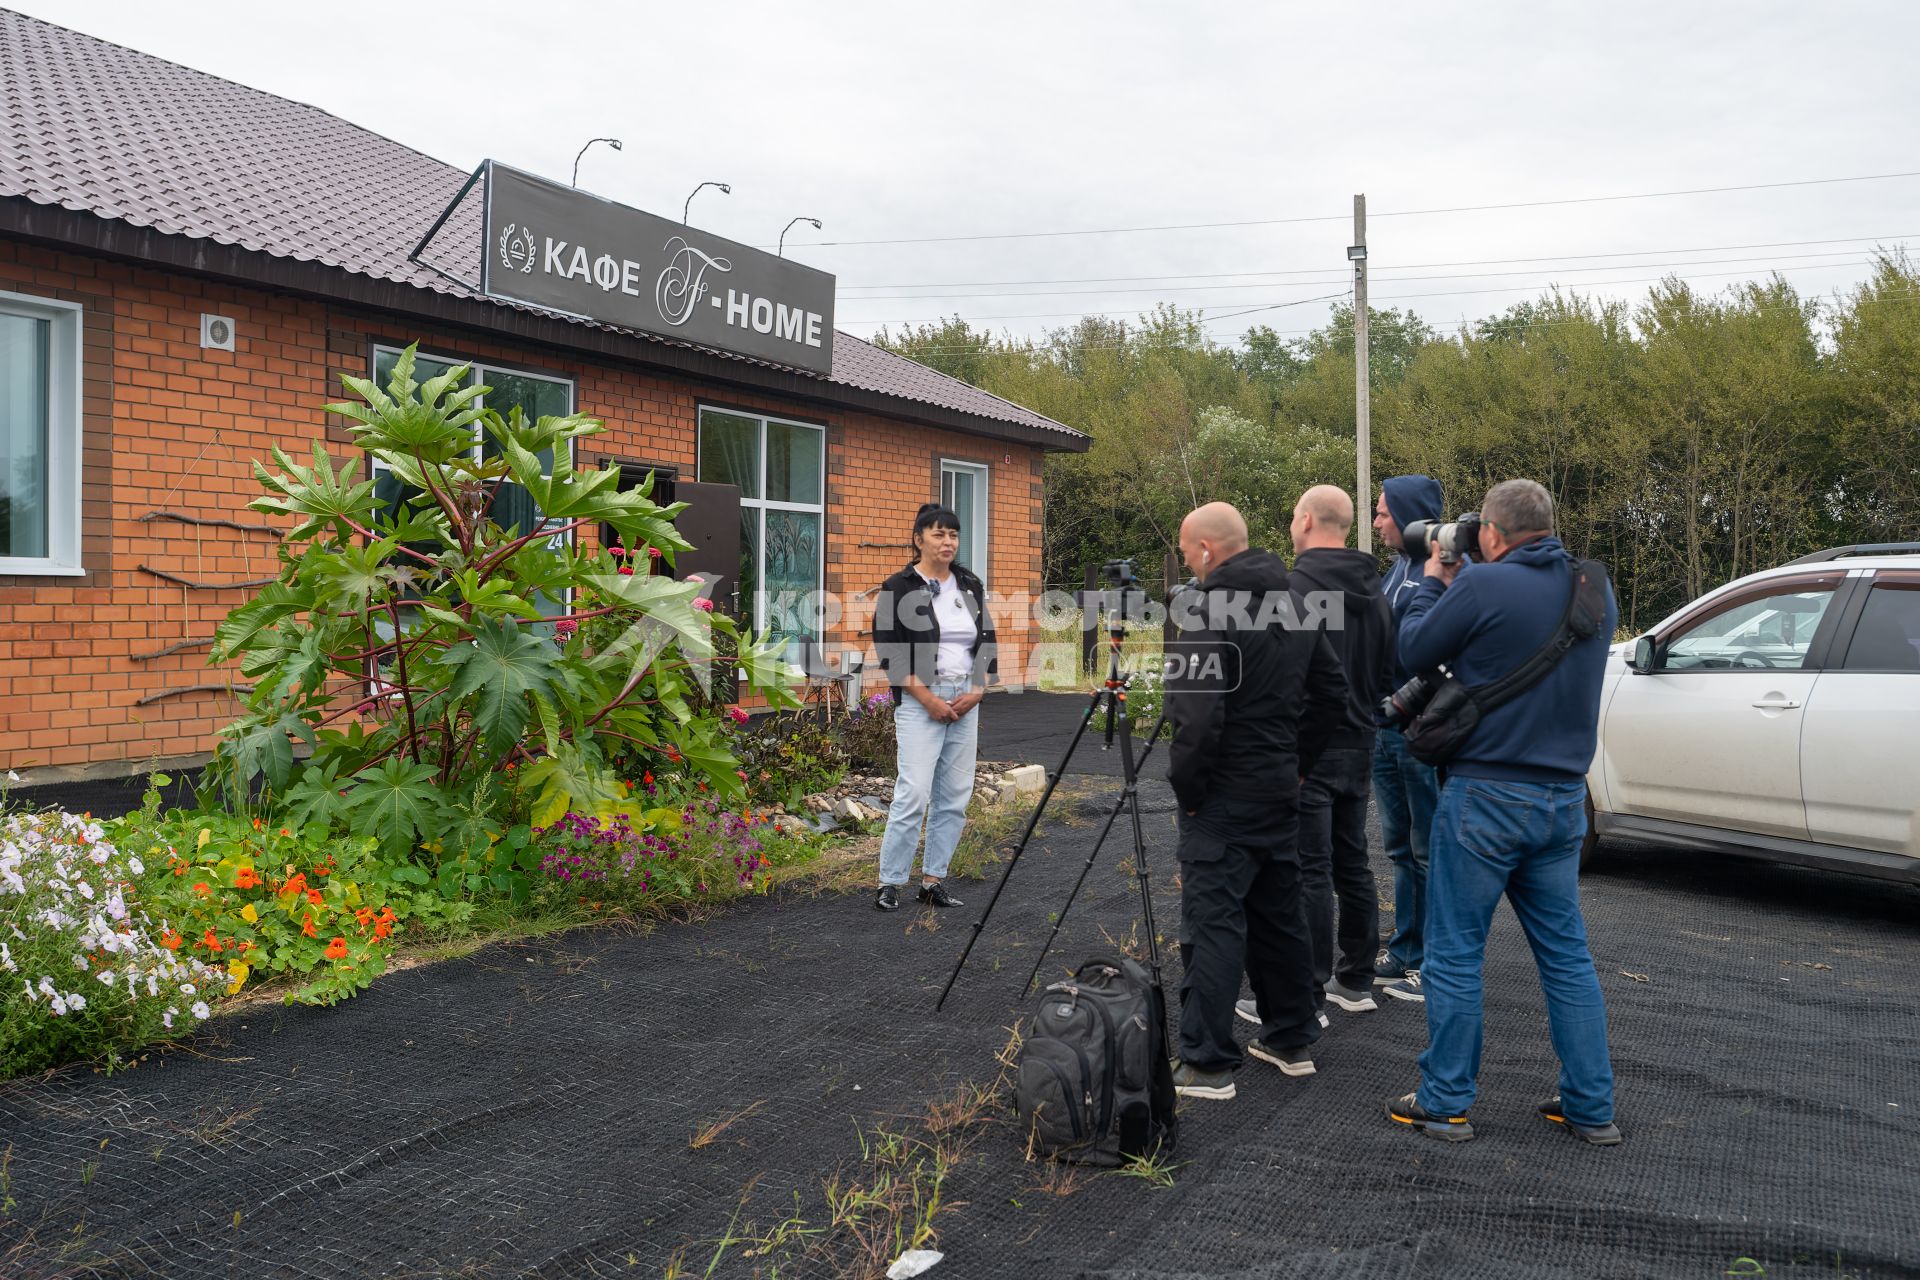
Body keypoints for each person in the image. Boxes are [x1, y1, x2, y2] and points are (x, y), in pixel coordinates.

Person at [1384, 479, 1621, 1146]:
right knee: (1567, 957)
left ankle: (1446, 1101)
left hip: (1486, 798)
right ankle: (1590, 1106)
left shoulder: (1481, 586)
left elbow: (1410, 652)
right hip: (1563, 804)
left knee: (1455, 952)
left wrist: (1433, 578)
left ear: (1490, 532)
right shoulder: (1594, 589)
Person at [1165, 501, 1347, 1100]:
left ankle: (1207, 1062)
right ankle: (1291, 1038)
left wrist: (1190, 793)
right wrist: (1298, 766)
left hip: (1223, 796)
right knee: (1279, 913)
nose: (1189, 563)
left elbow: (1196, 719)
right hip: (1278, 789)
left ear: (1208, 551)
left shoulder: (1207, 609)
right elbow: (1332, 694)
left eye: (1189, 552)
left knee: (1214, 922)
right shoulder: (1297, 602)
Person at [1260, 485, 1393, 1022]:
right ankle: (1355, 978)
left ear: (1308, 520)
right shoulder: (1378, 593)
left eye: (1294, 517)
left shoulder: (1291, 592)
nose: (1292, 526)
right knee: (1352, 862)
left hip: (1307, 747)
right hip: (1361, 740)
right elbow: (1387, 669)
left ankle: (1306, 991)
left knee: (1308, 870)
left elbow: (1274, 678)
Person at [869, 502, 998, 913]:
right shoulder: (898, 588)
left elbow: (987, 641)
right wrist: (927, 699)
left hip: (965, 698)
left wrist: (978, 689)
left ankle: (933, 880)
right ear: (918, 538)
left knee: (955, 796)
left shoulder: (970, 585)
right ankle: (890, 882)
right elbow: (889, 652)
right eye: (939, 534)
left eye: (954, 535)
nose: (948, 542)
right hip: (920, 699)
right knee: (913, 793)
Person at [1371, 475, 1446, 1003]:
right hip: (1382, 727)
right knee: (1398, 846)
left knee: (1426, 848)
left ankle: (1432, 961)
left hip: (1418, 731)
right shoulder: (1395, 570)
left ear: (1411, 515)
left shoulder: (1440, 575)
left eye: (1382, 513)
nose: (1375, 521)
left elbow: (1441, 659)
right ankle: (1404, 950)